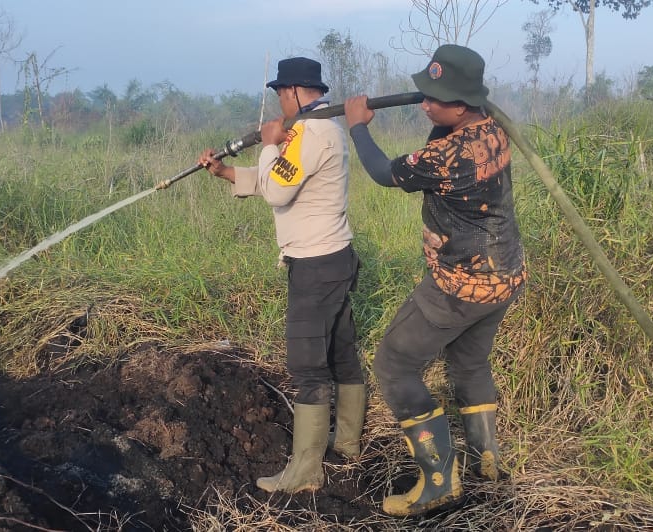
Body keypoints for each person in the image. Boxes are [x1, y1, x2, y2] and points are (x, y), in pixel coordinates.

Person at [343, 44, 526, 517]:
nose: (424, 104)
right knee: (468, 364)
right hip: (503, 277)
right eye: (423, 93)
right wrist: (438, 104)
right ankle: (488, 459)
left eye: (434, 99)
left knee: (395, 364)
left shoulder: (447, 157)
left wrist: (358, 126)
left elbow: (384, 173)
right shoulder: (492, 130)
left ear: (461, 105)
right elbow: (440, 130)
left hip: (459, 286)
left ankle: (439, 480)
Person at [197, 57, 366, 494]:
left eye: (278, 93)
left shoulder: (311, 131)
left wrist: (269, 143)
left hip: (315, 265)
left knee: (308, 366)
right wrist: (226, 172)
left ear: (292, 91)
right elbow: (279, 178)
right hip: (335, 257)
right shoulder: (320, 128)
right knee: (341, 351)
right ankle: (346, 442)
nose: (277, 102)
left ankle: (306, 471)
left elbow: (276, 188)